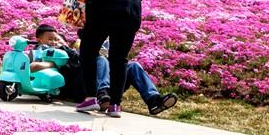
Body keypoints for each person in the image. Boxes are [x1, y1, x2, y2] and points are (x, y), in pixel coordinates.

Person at [33, 24, 177, 115]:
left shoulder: (68, 49)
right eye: (50, 39)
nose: (54, 42)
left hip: (97, 79)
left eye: (57, 39)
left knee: (132, 66)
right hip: (79, 85)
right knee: (100, 59)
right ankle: (103, 94)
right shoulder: (43, 52)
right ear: (39, 40)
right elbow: (34, 67)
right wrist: (53, 62)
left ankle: (153, 100)